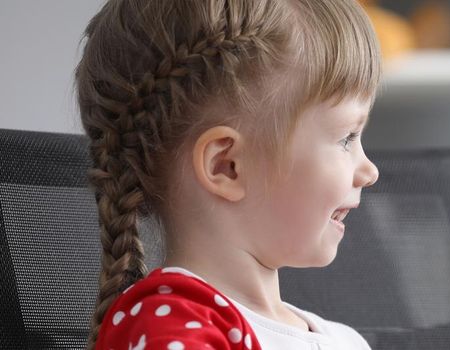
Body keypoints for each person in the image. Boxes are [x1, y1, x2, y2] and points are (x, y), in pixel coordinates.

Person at [75, 0, 381, 348]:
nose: (369, 171)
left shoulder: (344, 340)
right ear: (227, 167)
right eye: (346, 138)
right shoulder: (171, 331)